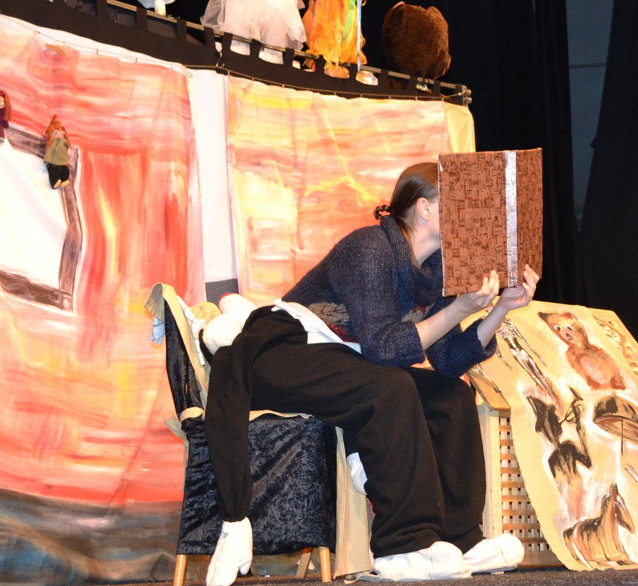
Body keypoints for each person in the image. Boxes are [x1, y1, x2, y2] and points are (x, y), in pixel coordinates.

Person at [203, 161, 540, 584]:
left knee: (449, 394)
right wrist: (458, 309)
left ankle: (460, 536)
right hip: (285, 353)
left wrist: (500, 308)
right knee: (390, 388)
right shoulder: (370, 249)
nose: (475, 216)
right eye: (462, 203)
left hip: (347, 363)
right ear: (425, 208)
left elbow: (448, 360)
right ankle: (402, 544)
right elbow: (385, 349)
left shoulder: (437, 268)